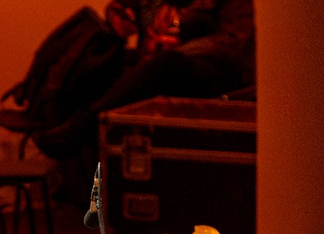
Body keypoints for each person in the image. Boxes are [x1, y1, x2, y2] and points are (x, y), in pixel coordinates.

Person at [30, 1, 255, 191]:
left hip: (215, 73)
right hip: (166, 62)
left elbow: (233, 44)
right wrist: (118, 15)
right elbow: (129, 6)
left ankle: (83, 127)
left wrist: (179, 44)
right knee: (98, 70)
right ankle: (86, 183)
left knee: (165, 65)